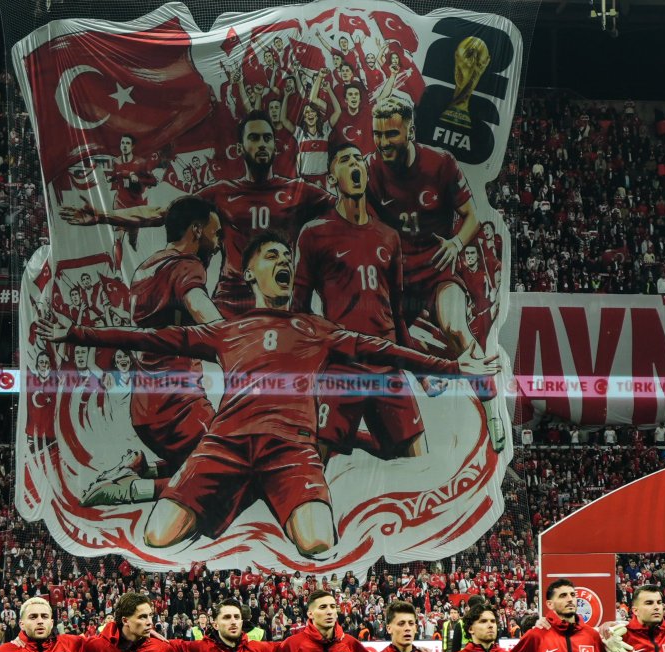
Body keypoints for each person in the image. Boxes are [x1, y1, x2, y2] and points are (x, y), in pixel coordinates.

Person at [45, 233, 486, 560]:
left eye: (287, 258)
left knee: (318, 543)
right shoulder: (227, 331)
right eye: (272, 255)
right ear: (249, 272)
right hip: (225, 445)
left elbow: (383, 350)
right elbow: (150, 337)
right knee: (157, 537)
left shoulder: (315, 329)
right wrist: (77, 333)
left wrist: (453, 368)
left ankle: (150, 486)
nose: (284, 262)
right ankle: (163, 487)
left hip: (291, 450)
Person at [69, 110, 331, 314]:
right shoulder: (221, 193)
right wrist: (102, 215)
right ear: (240, 148)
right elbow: (162, 213)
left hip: (281, 300)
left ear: (276, 146)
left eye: (267, 138)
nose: (261, 144)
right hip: (232, 300)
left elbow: (345, 211)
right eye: (253, 138)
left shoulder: (299, 191)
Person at [82, 197, 222, 507]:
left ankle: (141, 469)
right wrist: (239, 340)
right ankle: (130, 489)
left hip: (146, 410)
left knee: (190, 464)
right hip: (180, 407)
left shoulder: (146, 269)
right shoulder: (186, 265)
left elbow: (156, 212)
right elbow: (204, 312)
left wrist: (103, 215)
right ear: (197, 230)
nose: (218, 244)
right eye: (216, 234)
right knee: (226, 472)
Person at [291, 138, 423, 462]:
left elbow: (397, 311)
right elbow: (298, 309)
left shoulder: (389, 236)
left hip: (386, 366)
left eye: (358, 159)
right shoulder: (314, 233)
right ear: (331, 179)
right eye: (345, 160)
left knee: (420, 461)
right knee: (313, 463)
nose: (354, 164)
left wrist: (417, 368)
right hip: (342, 367)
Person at [369, 94, 483, 361]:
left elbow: (471, 217)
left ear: (411, 131)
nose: (383, 143)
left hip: (437, 274)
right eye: (377, 134)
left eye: (391, 134)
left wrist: (456, 244)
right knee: (378, 346)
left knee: (456, 330)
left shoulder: (441, 163)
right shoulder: (369, 169)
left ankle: (490, 386)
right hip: (396, 280)